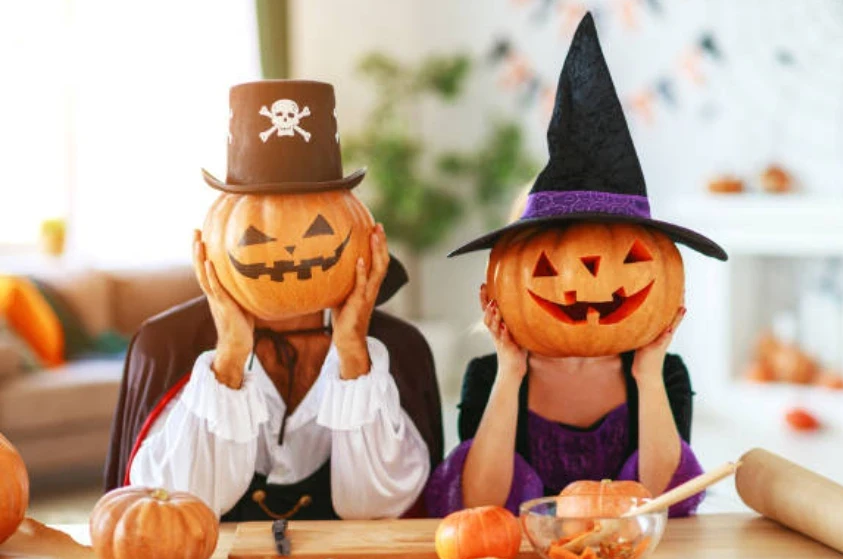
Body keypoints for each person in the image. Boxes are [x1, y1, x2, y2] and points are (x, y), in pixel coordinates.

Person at [425, 14, 727, 518]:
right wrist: (510, 373)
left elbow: (663, 502)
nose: (589, 276)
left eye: (626, 259)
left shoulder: (663, 375)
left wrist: (648, 376)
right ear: (502, 281)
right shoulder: (489, 377)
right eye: (549, 263)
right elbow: (481, 503)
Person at [103, 80, 443, 521]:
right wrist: (229, 359)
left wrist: (353, 352)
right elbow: (161, 515)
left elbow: (384, 510)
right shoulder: (164, 349)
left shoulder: (398, 352)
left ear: (363, 236)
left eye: (317, 229)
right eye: (257, 236)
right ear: (213, 243)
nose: (288, 252)